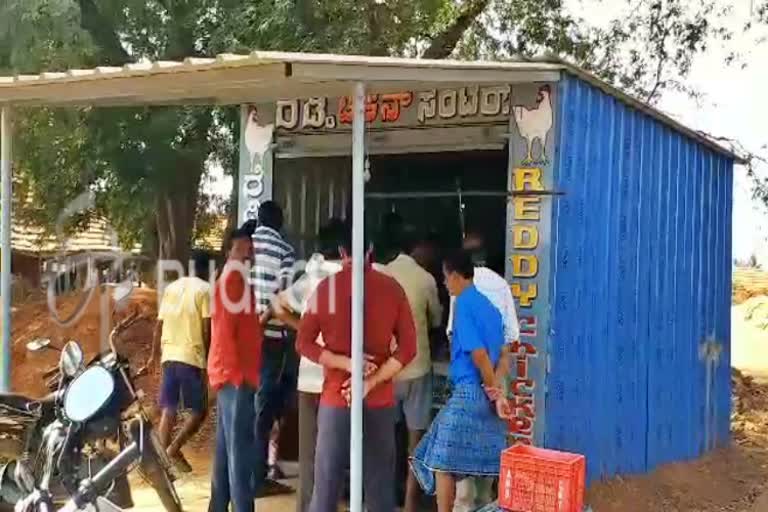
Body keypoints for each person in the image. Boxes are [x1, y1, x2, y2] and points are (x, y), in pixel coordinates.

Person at [296, 226, 418, 512]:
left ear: (341, 252)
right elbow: (408, 349)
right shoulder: (392, 288)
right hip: (379, 400)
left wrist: (345, 363)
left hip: (336, 398)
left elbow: (303, 343)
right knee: (379, 490)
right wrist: (371, 381)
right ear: (371, 250)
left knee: (325, 488)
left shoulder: (327, 288)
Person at [410, 249, 511, 512]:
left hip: (469, 393)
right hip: (488, 398)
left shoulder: (464, 303)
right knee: (478, 466)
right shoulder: (491, 308)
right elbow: (504, 354)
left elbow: (478, 354)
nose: (444, 284)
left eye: (445, 278)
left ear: (455, 276)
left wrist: (491, 389)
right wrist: (497, 390)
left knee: (439, 461)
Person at [271, 219, 345, 512]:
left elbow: (277, 303)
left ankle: (306, 506)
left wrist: (300, 327)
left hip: (309, 376)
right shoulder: (353, 278)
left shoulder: (312, 276)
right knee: (334, 452)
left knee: (309, 452)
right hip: (337, 380)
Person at [448, 230, 520, 512]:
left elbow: (457, 337)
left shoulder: (461, 290)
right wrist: (497, 384)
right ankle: (483, 502)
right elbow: (509, 341)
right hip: (495, 383)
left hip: (469, 386)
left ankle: (464, 502)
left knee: (463, 463)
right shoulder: (500, 284)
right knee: (488, 455)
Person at [383, 227, 443, 512]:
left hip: (386, 371)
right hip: (417, 369)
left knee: (385, 439)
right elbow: (436, 321)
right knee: (415, 443)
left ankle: (383, 498)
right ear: (418, 249)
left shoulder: (381, 274)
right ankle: (409, 505)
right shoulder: (426, 278)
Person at [208, 228, 263, 512]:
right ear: (231, 248)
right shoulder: (233, 280)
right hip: (236, 377)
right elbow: (226, 331)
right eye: (243, 244)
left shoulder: (234, 278)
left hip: (232, 375)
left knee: (226, 452)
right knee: (239, 456)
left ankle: (218, 507)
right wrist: (239, 377)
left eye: (250, 243)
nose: (249, 249)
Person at [148, 250, 212, 472]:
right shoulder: (205, 290)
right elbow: (206, 328)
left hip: (169, 355)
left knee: (169, 409)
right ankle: (172, 449)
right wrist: (207, 358)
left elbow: (159, 325)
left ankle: (159, 465)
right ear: (206, 270)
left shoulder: (171, 289)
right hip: (191, 356)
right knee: (199, 411)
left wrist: (153, 356)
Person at [251, 201, 297, 483]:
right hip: (271, 338)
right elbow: (281, 293)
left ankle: (251, 469)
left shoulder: (245, 245)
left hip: (244, 338)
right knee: (265, 406)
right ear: (280, 222)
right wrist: (264, 318)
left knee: (248, 401)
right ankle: (259, 474)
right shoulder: (286, 251)